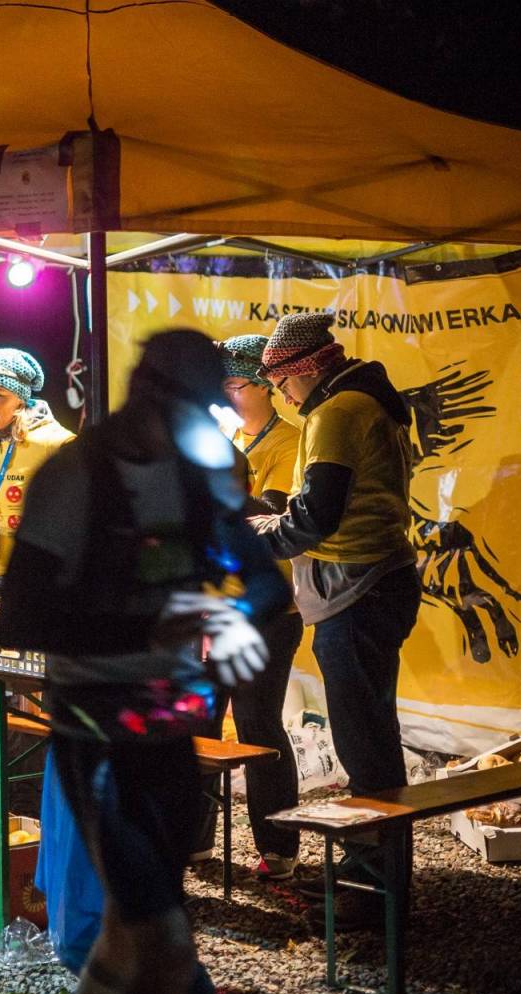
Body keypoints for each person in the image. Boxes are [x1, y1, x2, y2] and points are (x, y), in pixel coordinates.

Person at [0, 330, 292, 994]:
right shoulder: (76, 474)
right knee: (153, 924)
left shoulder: (199, 468)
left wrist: (233, 619)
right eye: (188, 407)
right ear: (145, 392)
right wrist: (150, 619)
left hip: (171, 725)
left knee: (148, 919)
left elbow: (264, 582)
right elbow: (20, 619)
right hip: (94, 726)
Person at [253, 311, 422, 928]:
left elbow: (317, 519)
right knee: (371, 730)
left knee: (364, 743)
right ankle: (373, 872)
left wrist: (259, 534)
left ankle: (372, 889)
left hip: (358, 590)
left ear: (302, 369)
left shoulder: (336, 412)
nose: (280, 396)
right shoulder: (367, 398)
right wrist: (275, 512)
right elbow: (330, 499)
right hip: (382, 581)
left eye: (280, 383)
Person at [0, 348, 74, 813]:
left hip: (34, 590)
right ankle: (7, 793)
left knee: (35, 698)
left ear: (22, 399)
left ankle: (35, 802)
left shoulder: (57, 444)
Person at [216, 334, 306, 880]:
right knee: (199, 722)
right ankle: (193, 841)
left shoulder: (291, 443)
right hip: (211, 608)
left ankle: (278, 846)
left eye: (237, 385)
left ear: (268, 385)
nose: (228, 396)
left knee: (257, 724)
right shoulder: (224, 438)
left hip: (266, 610)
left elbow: (271, 521)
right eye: (222, 386)